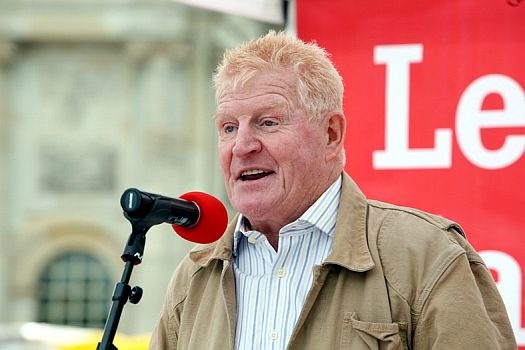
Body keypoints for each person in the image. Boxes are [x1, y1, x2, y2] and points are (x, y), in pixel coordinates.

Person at [149, 31, 516, 350]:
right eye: (228, 127)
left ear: (331, 134)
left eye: (268, 122)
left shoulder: (428, 256)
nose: (242, 146)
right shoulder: (195, 276)